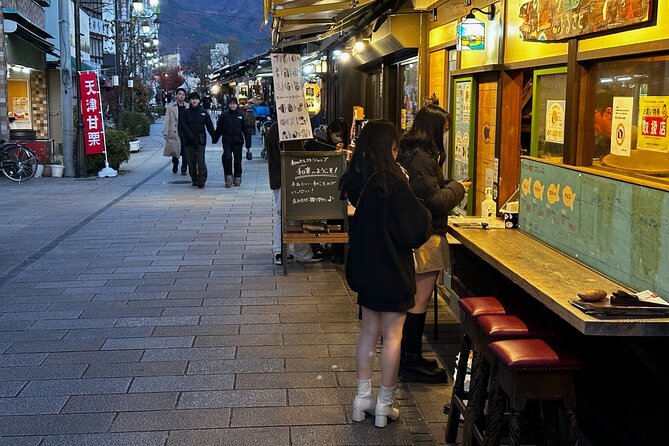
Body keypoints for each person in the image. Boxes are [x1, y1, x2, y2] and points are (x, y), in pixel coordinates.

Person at [340, 120, 432, 428]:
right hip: (393, 269)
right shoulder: (395, 181)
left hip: (366, 268)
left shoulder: (359, 179)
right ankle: (384, 405)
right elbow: (417, 229)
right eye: (395, 146)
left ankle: (360, 399)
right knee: (393, 336)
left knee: (368, 332)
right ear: (389, 147)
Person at [398, 104, 470, 383]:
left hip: (418, 234)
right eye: (445, 129)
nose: (447, 134)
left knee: (416, 300)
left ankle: (410, 358)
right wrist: (458, 188)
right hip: (426, 238)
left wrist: (450, 183)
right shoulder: (423, 159)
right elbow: (435, 200)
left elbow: (429, 190)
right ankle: (411, 361)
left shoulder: (411, 153)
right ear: (435, 130)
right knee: (419, 302)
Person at [266, 121, 325, 265]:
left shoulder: (273, 129)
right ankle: (301, 253)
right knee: (295, 215)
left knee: (282, 215)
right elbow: (297, 157)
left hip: (277, 178)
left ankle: (280, 252)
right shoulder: (288, 128)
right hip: (289, 178)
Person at [214, 96, 253, 187]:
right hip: (227, 141)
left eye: (234, 104)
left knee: (237, 159)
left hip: (238, 141)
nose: (232, 105)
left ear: (237, 104)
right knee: (227, 158)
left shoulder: (241, 115)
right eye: (231, 104)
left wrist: (248, 143)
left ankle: (237, 177)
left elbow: (247, 129)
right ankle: (228, 178)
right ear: (228, 105)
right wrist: (215, 138)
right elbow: (219, 128)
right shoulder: (224, 115)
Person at [181, 91, 216, 188]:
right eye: (192, 99)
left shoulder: (203, 113)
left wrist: (214, 136)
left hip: (200, 139)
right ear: (189, 100)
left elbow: (209, 126)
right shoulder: (185, 112)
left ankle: (202, 179)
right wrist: (189, 135)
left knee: (200, 160)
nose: (194, 101)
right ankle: (194, 177)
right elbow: (182, 125)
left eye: (196, 99)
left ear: (199, 100)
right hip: (188, 141)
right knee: (191, 161)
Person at [162, 87, 189, 175]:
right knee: (174, 150)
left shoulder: (188, 106)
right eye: (179, 94)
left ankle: (184, 168)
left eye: (183, 95)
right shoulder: (170, 107)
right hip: (174, 131)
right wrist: (166, 132)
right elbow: (167, 120)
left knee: (185, 150)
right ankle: (175, 163)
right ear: (176, 95)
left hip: (185, 131)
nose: (181, 96)